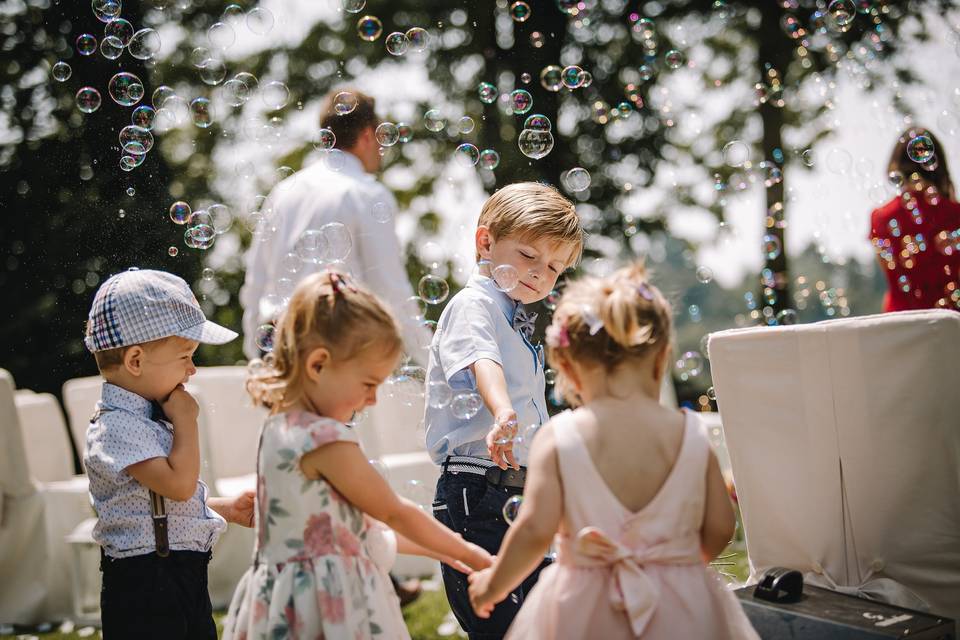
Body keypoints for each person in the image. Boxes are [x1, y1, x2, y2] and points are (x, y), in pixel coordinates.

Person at [467, 262, 760, 639]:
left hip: (585, 608)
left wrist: (494, 584)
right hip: (679, 607)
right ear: (661, 359)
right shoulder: (690, 435)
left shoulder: (559, 437)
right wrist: (667, 568)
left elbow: (534, 531)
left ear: (569, 371)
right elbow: (721, 527)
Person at [222, 271, 492, 640]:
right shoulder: (324, 439)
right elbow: (393, 512)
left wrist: (442, 552)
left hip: (286, 604)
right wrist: (474, 554)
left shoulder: (278, 429)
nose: (372, 399)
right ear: (318, 365)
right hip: (329, 606)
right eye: (368, 384)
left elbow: (359, 533)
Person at [425, 182, 585, 638]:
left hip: (514, 490)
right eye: (529, 255)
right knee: (500, 622)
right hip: (477, 490)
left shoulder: (514, 318)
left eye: (554, 268)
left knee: (537, 620)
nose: (540, 274)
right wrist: (502, 411)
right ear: (486, 241)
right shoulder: (474, 306)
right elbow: (482, 361)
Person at [83, 268, 255, 640]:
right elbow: (178, 486)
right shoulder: (116, 427)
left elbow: (158, 503)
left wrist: (224, 508)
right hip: (145, 585)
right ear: (135, 361)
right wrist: (188, 419)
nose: (192, 369)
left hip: (177, 574)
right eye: (185, 356)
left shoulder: (145, 419)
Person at [241, 88, 431, 362]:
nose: (382, 150)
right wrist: (432, 362)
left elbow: (256, 280)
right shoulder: (368, 194)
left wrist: (255, 356)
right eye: (381, 139)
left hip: (277, 340)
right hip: (335, 344)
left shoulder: (283, 191)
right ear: (367, 135)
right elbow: (390, 288)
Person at [869, 127, 960, 312]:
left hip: (901, 323)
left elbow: (892, 277)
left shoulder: (881, 217)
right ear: (938, 163)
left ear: (896, 165)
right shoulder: (955, 214)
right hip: (950, 323)